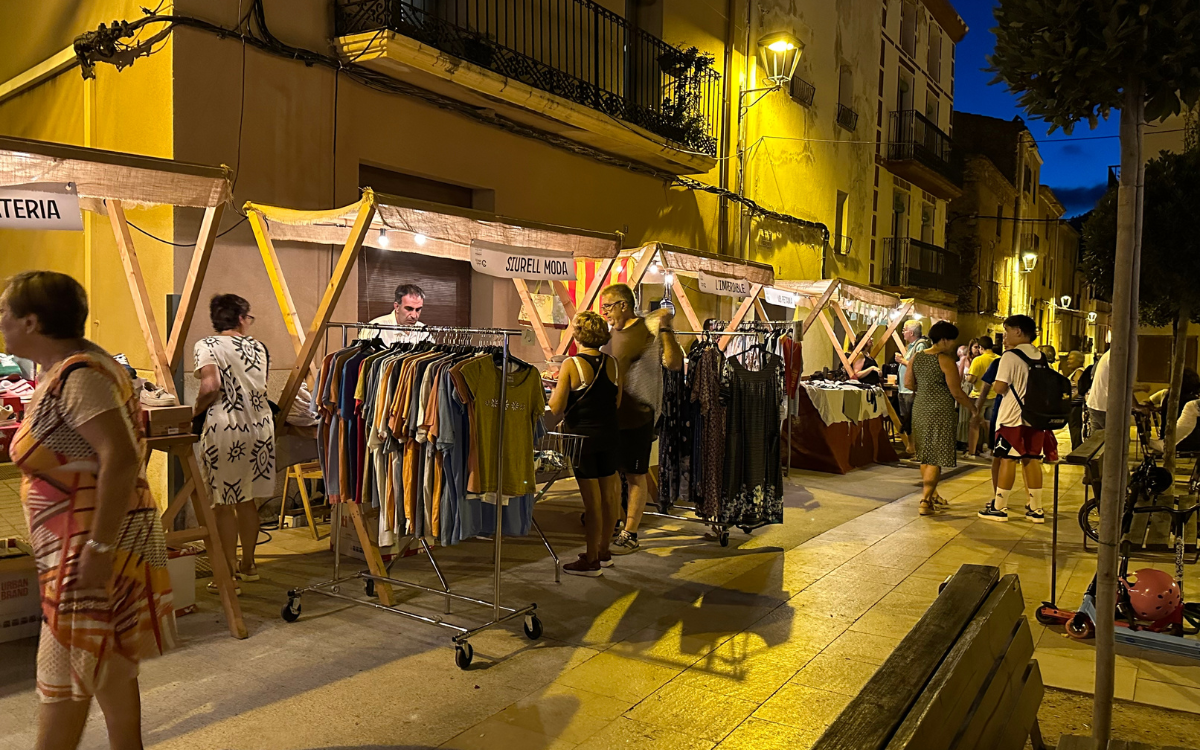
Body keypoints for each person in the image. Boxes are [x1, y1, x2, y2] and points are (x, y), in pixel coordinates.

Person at [1, 271, 176, 749]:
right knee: (107, 663)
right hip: (86, 541)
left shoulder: (78, 376)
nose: (0, 322)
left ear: (31, 321)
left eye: (5, 313)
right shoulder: (73, 368)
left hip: (88, 543)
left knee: (65, 669)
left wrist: (99, 548)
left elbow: (119, 456)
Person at [193, 294, 276, 589]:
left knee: (224, 501)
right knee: (248, 498)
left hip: (227, 427)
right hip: (261, 427)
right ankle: (249, 564)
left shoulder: (208, 345)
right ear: (240, 317)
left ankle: (228, 574)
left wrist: (195, 411)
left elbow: (210, 385)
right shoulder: (259, 347)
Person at [600, 283, 684, 554]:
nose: (605, 313)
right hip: (610, 413)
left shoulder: (649, 330)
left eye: (608, 307)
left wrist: (667, 328)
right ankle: (614, 520)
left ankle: (631, 533)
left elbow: (674, 363)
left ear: (623, 305)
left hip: (639, 414)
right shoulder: (611, 334)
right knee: (610, 472)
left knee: (635, 475)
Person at [548, 311, 621, 576]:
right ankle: (604, 551)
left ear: (578, 335)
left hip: (583, 439)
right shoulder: (612, 363)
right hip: (610, 435)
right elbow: (617, 402)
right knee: (610, 496)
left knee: (592, 503)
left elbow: (556, 406)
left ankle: (590, 559)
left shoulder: (572, 364)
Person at [979, 315, 1058, 523]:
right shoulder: (1039, 355)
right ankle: (1036, 508)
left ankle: (999, 507)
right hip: (1035, 417)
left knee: (1007, 459)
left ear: (1019, 332)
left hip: (1012, 418)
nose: (1004, 336)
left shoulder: (1010, 356)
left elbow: (1000, 387)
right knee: (1032, 459)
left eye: (1007, 331)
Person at [905, 321, 978, 516]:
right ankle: (925, 501)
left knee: (925, 455)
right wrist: (973, 408)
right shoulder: (944, 359)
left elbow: (909, 383)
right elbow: (957, 392)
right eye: (952, 340)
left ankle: (933, 493)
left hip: (920, 408)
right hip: (940, 411)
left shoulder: (917, 357)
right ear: (945, 340)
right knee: (935, 456)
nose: (954, 344)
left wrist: (926, 390)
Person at [894, 320, 931, 456]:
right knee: (907, 419)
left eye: (904, 330)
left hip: (912, 390)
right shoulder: (911, 346)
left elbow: (919, 365)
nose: (902, 332)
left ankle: (917, 449)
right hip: (904, 389)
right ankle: (911, 448)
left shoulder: (920, 346)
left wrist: (902, 361)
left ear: (911, 332)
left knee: (913, 420)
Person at [965, 335, 1000, 456]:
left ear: (981, 347)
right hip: (995, 395)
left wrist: (967, 376)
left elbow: (971, 379)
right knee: (991, 424)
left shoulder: (978, 360)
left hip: (978, 396)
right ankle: (992, 449)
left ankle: (972, 451)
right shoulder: (999, 359)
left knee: (974, 423)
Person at [360, 283, 428, 344]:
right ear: (397, 307)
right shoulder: (373, 330)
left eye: (418, 309)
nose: (414, 315)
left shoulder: (424, 332)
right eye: (409, 309)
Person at [1086, 349, 1110, 434]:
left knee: (1097, 438)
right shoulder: (1115, 356)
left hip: (1097, 403)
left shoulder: (1108, 355)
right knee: (1113, 438)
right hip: (1103, 405)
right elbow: (1120, 385)